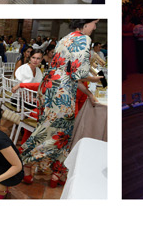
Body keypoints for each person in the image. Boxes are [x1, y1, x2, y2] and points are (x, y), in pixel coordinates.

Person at [17, 18, 99, 187]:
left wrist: (89, 93)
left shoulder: (65, 38)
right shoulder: (84, 39)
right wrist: (97, 78)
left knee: (48, 128)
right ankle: (33, 162)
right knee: (60, 132)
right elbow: (79, 73)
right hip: (61, 91)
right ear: (85, 24)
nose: (95, 27)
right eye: (94, 23)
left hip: (49, 86)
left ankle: (43, 169)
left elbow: (69, 73)